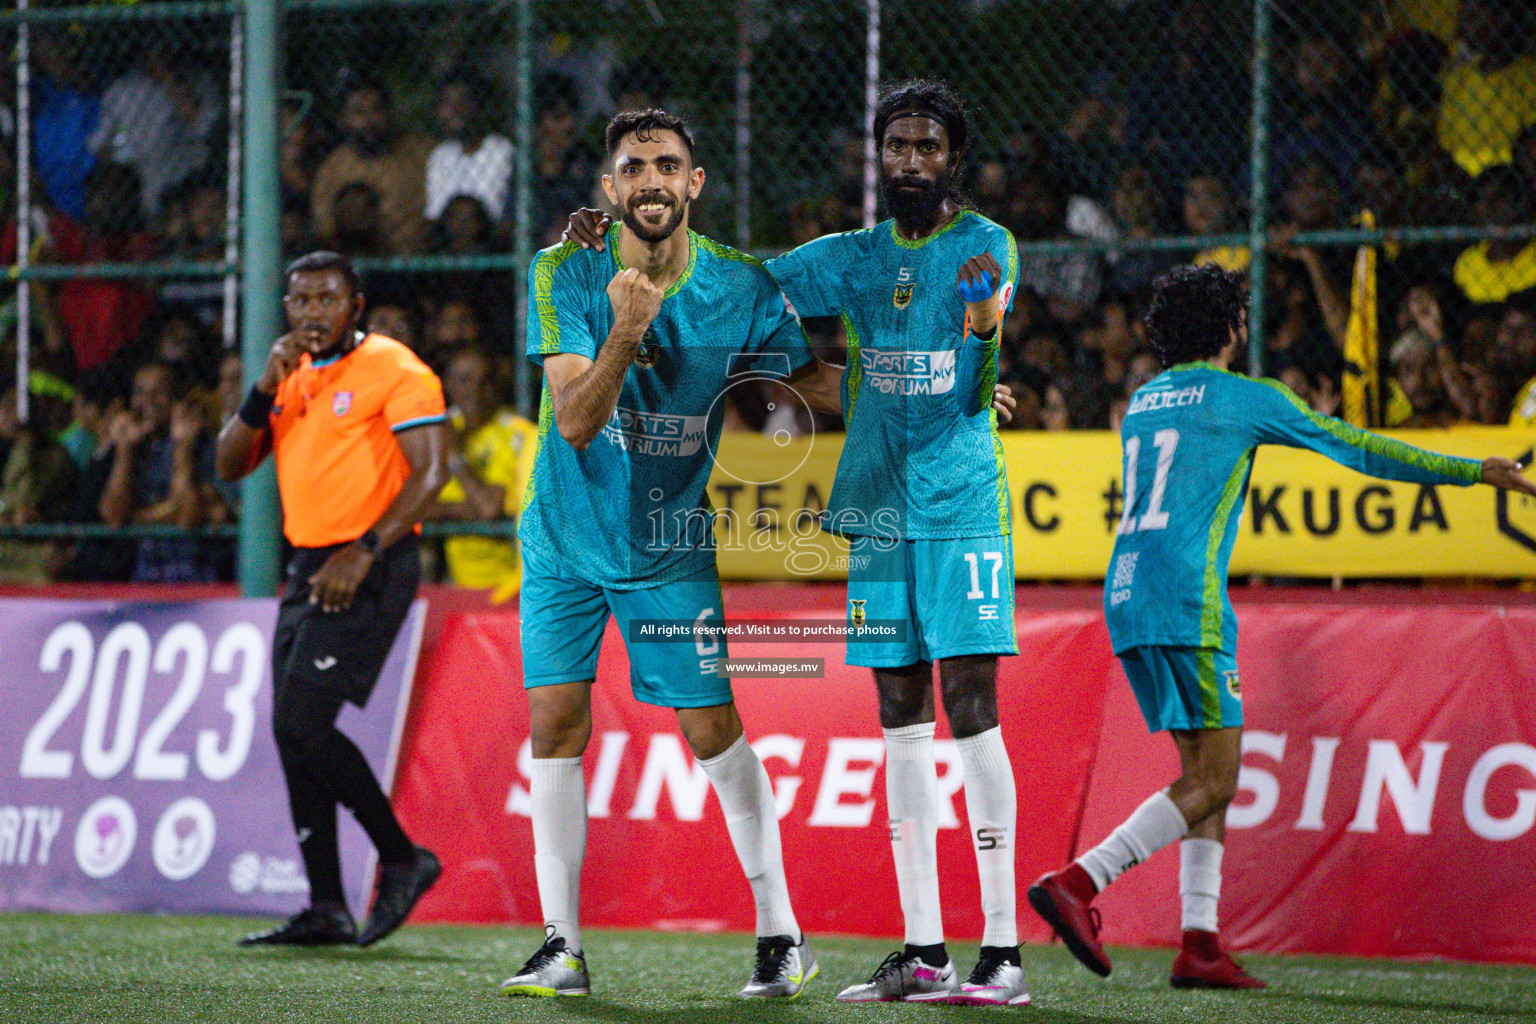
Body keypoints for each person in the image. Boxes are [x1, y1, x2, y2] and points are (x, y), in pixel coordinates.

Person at [562, 80, 1027, 1007]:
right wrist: (610, 235)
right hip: (875, 511)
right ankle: (925, 951)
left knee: (971, 703)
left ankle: (1004, 954)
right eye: (896, 146)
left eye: (927, 147)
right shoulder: (849, 258)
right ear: (877, 156)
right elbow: (741, 278)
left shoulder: (984, 246)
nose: (909, 162)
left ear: (954, 161)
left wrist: (983, 338)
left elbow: (976, 389)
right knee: (899, 714)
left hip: (960, 504)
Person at [1027, 264, 1536, 989]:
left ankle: (1199, 943)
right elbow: (1359, 448)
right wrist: (1471, 472)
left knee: (1202, 774)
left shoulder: (1144, 398)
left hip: (1127, 591)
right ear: (1232, 328)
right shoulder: (1244, 398)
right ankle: (1079, 882)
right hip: (1187, 599)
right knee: (1218, 777)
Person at [502, 108, 830, 1002]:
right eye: (633, 166)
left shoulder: (744, 288)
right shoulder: (566, 269)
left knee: (711, 731)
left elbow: (803, 388)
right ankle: (560, 945)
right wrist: (626, 330)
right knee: (555, 724)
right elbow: (575, 421)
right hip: (564, 539)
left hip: (667, 548)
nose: (650, 179)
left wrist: (943, 388)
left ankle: (781, 936)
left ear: (694, 183)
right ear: (610, 189)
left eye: (667, 165)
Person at [217, 251, 448, 948]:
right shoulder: (290, 376)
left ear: (356, 306)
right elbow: (229, 465)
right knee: (294, 738)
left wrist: (367, 549)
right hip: (309, 563)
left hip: (369, 561)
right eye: (301, 301)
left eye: (327, 300)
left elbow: (431, 473)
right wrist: (261, 389)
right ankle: (325, 906)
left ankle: (404, 858)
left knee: (302, 724)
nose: (312, 313)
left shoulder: (397, 368)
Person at [423, 344, 537, 600]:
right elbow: (408, 506)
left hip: (507, 584)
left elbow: (487, 508)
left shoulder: (516, 433)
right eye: (464, 380)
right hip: (447, 580)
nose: (474, 390)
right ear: (447, 384)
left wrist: (454, 458)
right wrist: (461, 511)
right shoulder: (434, 430)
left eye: (484, 381)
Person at [311, 79, 433, 255]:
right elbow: (324, 228)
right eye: (359, 113)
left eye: (376, 110)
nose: (369, 121)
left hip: (415, 261)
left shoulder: (420, 153)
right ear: (343, 119)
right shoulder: (333, 168)